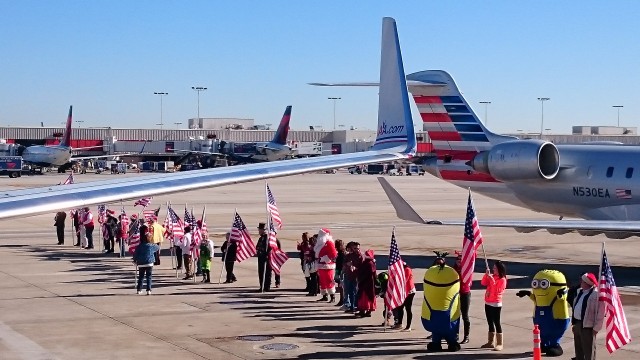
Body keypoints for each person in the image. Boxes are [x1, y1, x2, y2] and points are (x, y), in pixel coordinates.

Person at [571, 273, 604, 360]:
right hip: (578, 324)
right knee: (578, 349)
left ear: (587, 283)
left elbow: (600, 313)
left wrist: (596, 328)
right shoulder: (580, 292)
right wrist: (574, 324)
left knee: (588, 350)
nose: (580, 283)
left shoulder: (596, 295)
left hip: (588, 327)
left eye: (582, 281)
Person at [480, 260, 507, 351]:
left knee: (497, 322)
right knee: (490, 322)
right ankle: (490, 342)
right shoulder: (493, 276)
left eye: (495, 268)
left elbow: (497, 290)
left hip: (496, 303)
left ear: (499, 269)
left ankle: (499, 343)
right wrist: (486, 275)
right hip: (488, 301)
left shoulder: (502, 279)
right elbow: (483, 283)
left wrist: (491, 278)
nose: (493, 269)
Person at [133, 225, 159, 295]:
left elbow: (136, 253)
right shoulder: (151, 245)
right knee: (149, 277)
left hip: (141, 263)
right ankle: (148, 290)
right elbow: (157, 247)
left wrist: (134, 260)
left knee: (141, 277)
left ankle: (139, 289)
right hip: (149, 263)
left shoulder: (139, 246)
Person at [452, 251, 471, 343]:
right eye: (457, 259)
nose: (459, 261)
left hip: (465, 293)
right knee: (455, 315)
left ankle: (466, 336)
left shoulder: (466, 270)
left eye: (460, 259)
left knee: (465, 315)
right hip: (456, 293)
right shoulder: (453, 269)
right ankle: (455, 334)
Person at [314, 228, 337, 302]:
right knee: (322, 281)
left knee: (329, 280)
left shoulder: (329, 243)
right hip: (320, 265)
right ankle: (324, 295)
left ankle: (332, 296)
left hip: (328, 266)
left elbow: (333, 254)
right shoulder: (320, 243)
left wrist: (325, 258)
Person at [393, 262, 416, 331]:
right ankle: (399, 324)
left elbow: (404, 281)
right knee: (400, 307)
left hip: (409, 292)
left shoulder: (407, 270)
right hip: (402, 291)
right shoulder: (400, 270)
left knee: (408, 309)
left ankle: (408, 326)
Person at [355, 249, 377, 318]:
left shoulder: (368, 263)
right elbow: (374, 274)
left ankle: (365, 311)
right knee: (367, 297)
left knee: (365, 297)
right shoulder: (370, 263)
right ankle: (367, 311)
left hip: (366, 283)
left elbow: (364, 273)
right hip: (369, 283)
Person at [342, 242, 361, 312]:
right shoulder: (349, 255)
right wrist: (347, 264)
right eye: (355, 248)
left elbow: (363, 267)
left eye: (358, 248)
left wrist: (355, 268)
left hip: (356, 277)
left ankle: (357, 306)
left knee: (356, 292)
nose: (357, 250)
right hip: (349, 276)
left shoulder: (361, 257)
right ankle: (351, 307)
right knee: (350, 292)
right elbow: (344, 263)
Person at [255, 222, 272, 291]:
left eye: (260, 230)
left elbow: (270, 248)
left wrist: (267, 255)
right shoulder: (261, 238)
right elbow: (258, 246)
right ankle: (262, 286)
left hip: (266, 258)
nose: (259, 231)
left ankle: (267, 286)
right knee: (261, 272)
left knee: (267, 272)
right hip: (261, 258)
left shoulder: (267, 238)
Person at [334, 239, 346, 306]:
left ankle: (342, 300)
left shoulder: (342, 254)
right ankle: (342, 299)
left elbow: (341, 264)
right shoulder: (340, 254)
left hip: (341, 271)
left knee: (341, 286)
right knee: (340, 286)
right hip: (339, 270)